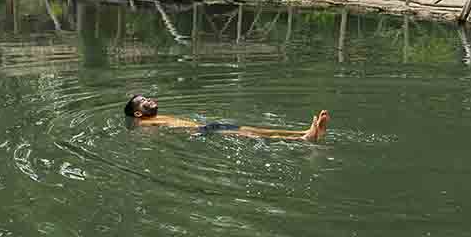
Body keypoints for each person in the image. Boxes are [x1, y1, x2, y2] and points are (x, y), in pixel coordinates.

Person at [123, 95, 330, 143]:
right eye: (143, 102)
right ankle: (302, 139)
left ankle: (305, 132)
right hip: (202, 131)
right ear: (138, 114)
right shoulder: (144, 124)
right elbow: (155, 136)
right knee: (250, 134)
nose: (149, 100)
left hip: (207, 126)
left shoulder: (157, 116)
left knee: (257, 129)